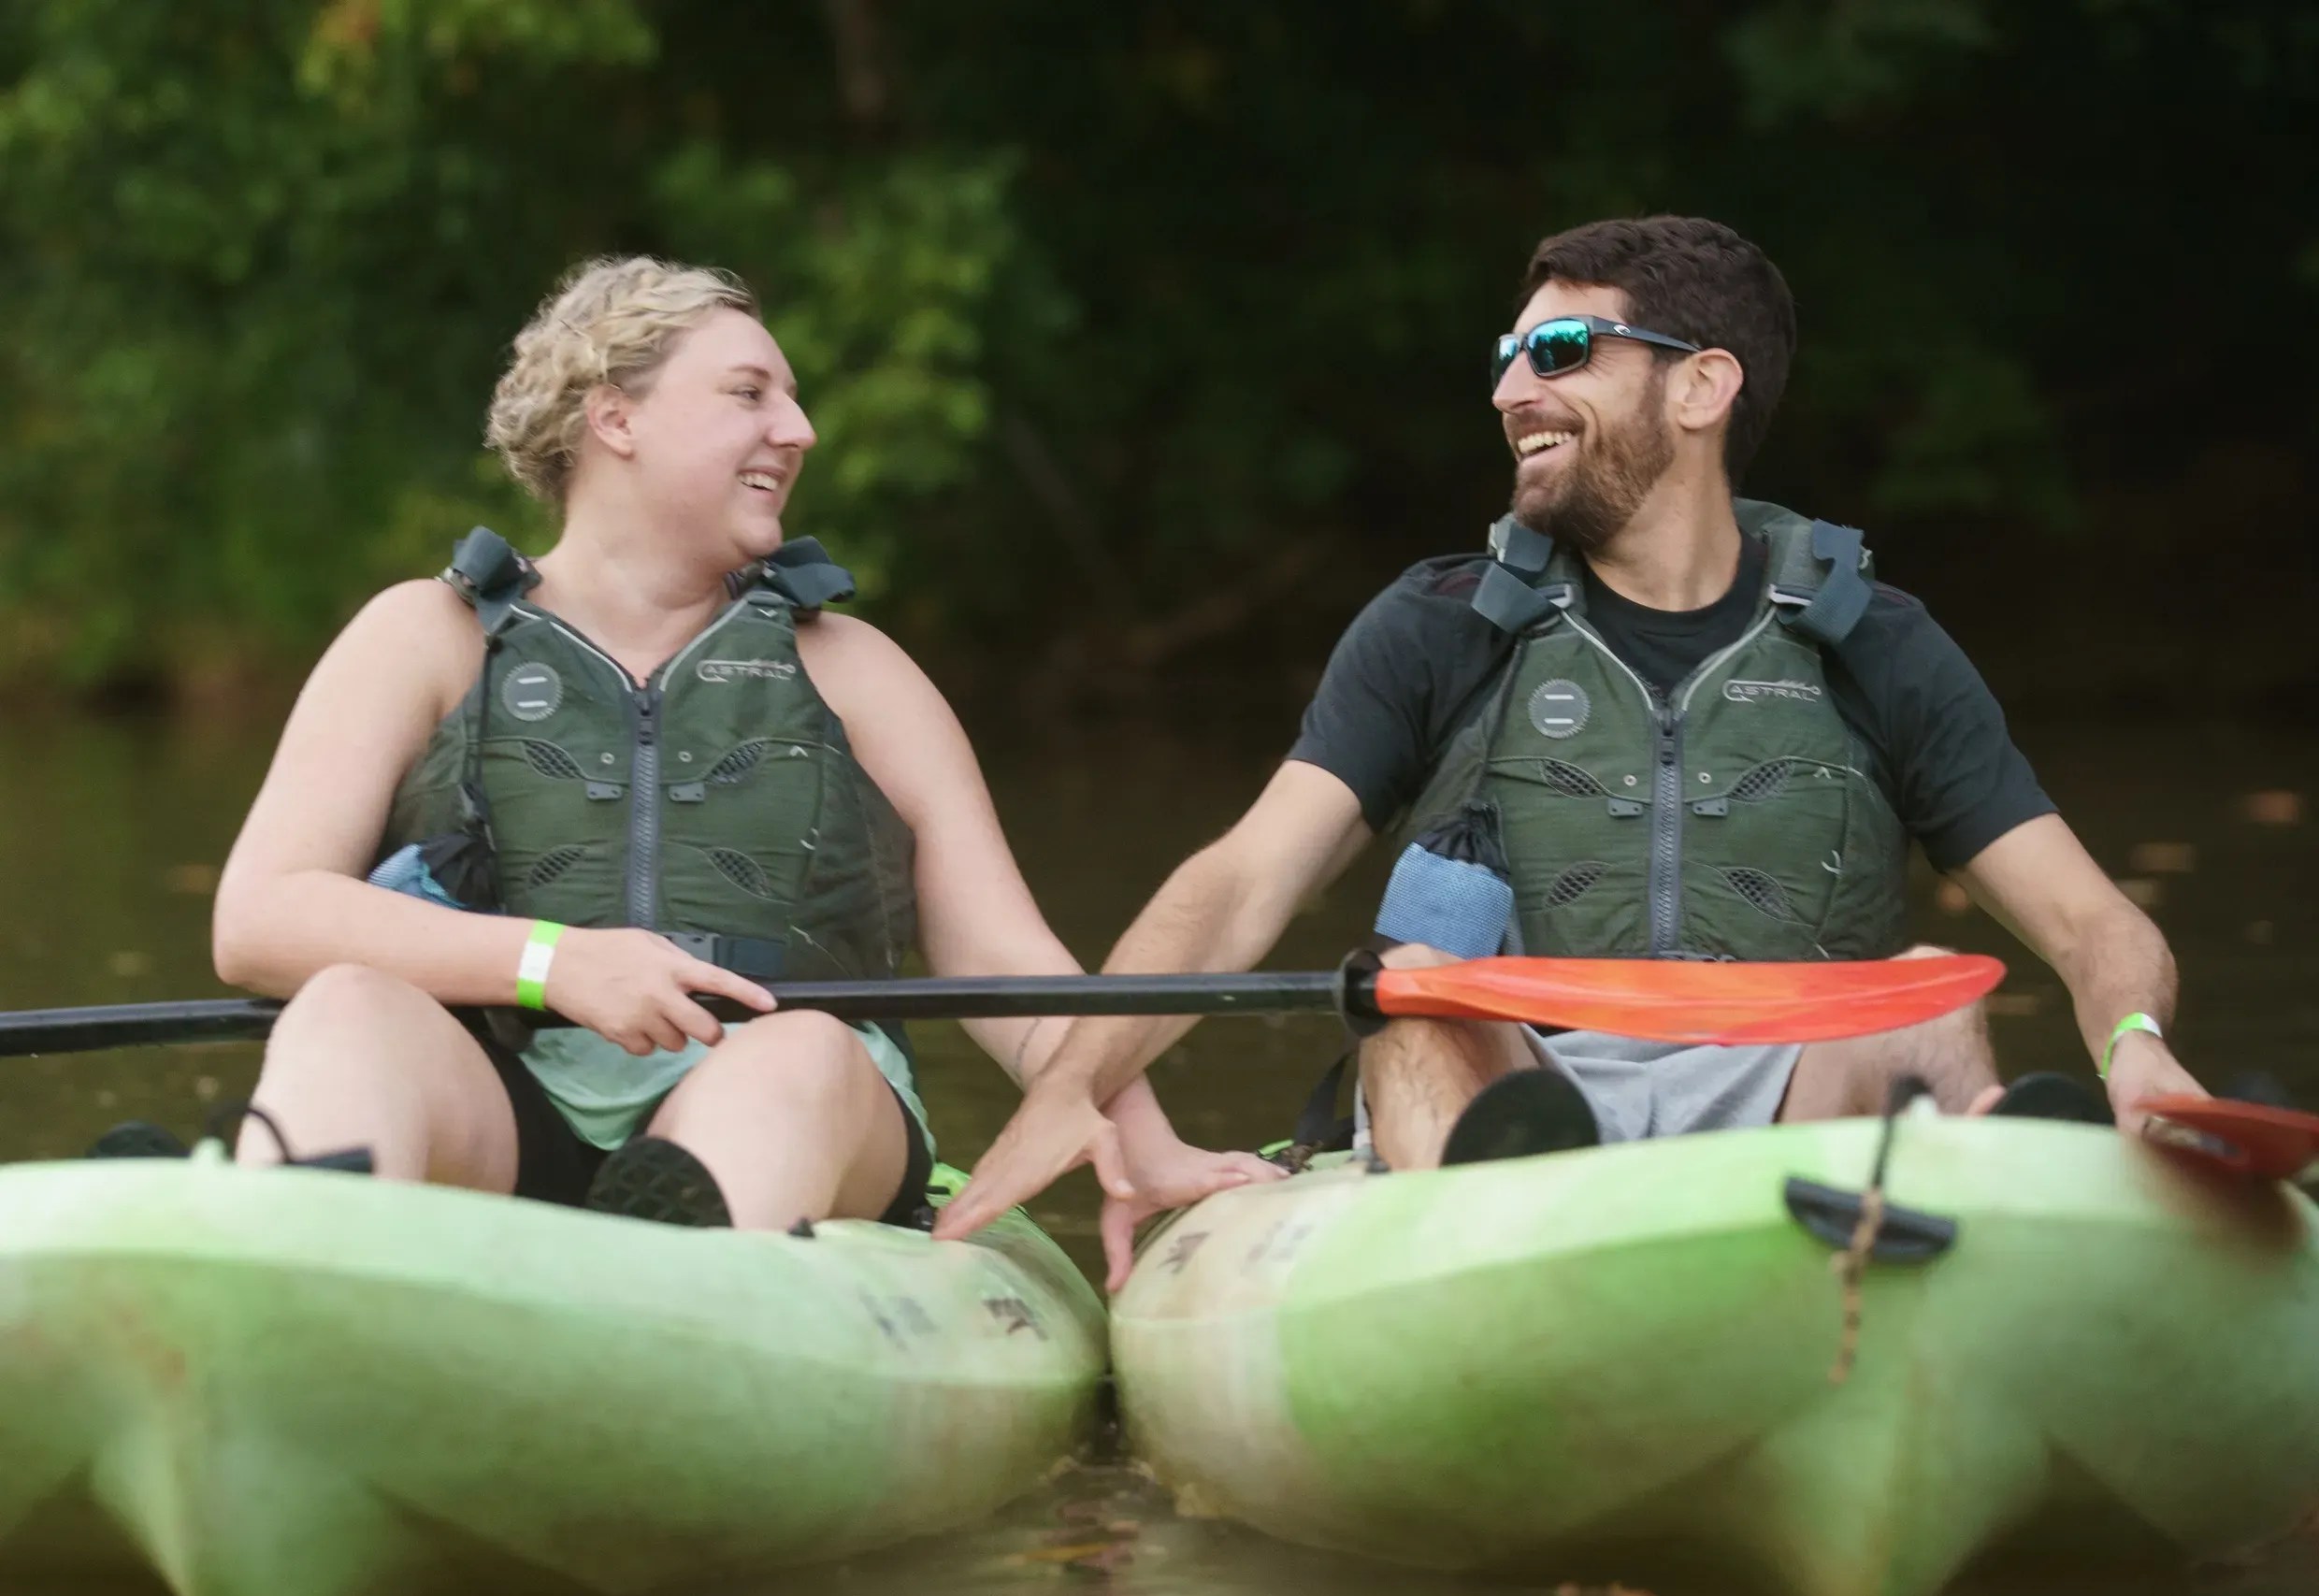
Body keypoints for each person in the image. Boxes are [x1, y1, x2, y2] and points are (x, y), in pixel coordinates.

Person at [938, 214, 2204, 1242]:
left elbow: (2095, 923)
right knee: (1415, 993)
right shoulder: (1436, 625)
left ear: (1703, 385)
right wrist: (1070, 1086)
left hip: (1786, 1096)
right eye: (1508, 354)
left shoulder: (1879, 642)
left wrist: (2135, 1047)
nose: (1506, 391)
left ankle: (1901, 1235)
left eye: (1559, 354)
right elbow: (1241, 880)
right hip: (1516, 1082)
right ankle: (1505, 1242)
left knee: (1923, 998)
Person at [176, 255, 1268, 1263]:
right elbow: (263, 917)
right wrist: (557, 962)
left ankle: (685, 1317)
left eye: (788, 399)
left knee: (797, 1051)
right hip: (507, 1102)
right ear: (615, 417)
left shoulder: (855, 670)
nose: (796, 430)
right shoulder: (425, 636)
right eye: (749, 394)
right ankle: (275, 1266)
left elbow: (1004, 959)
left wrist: (1139, 1132)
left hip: (788, 1111)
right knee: (347, 1006)